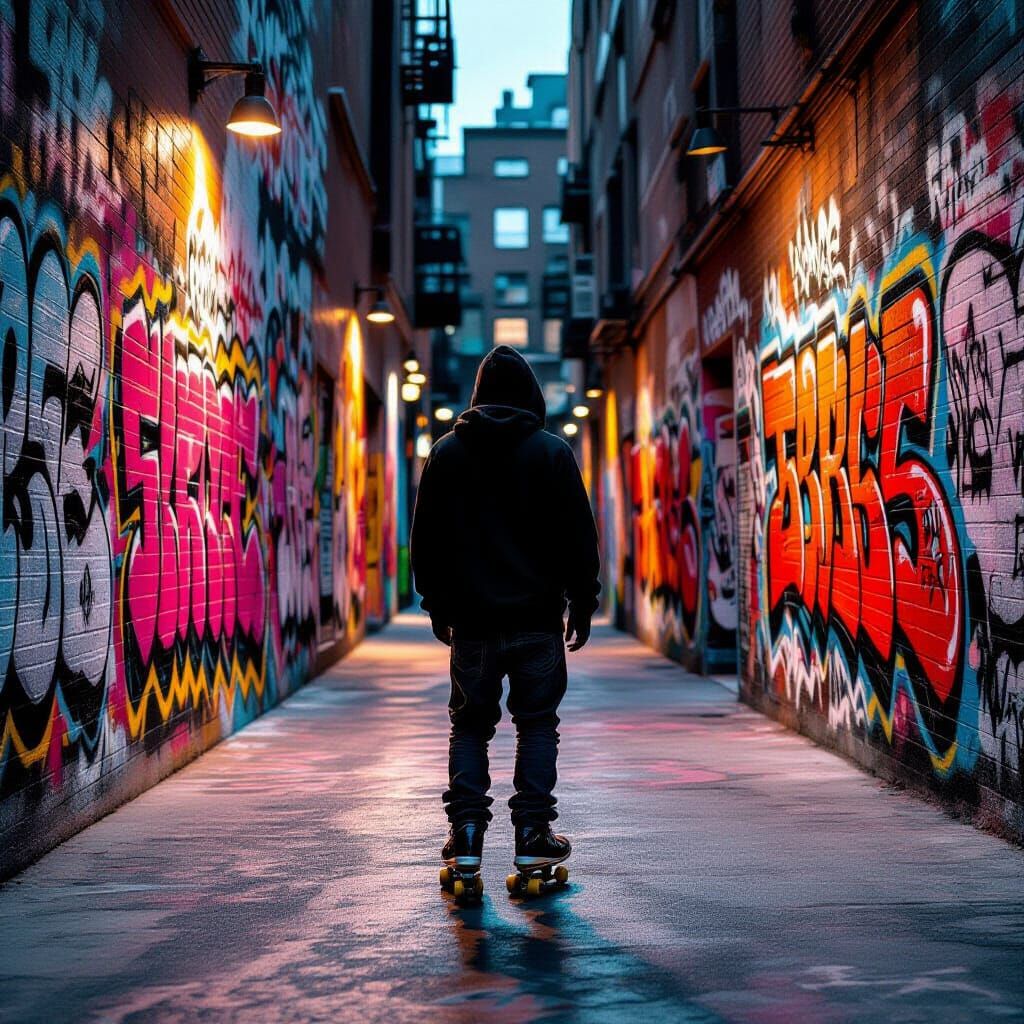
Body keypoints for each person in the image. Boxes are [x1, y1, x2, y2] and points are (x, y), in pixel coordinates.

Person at [411, 344, 600, 883]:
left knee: (470, 726)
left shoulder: (447, 453)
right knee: (537, 724)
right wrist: (582, 603)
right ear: (531, 396)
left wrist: (437, 606)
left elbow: (426, 540)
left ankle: (466, 837)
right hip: (537, 622)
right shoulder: (552, 453)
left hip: (472, 625)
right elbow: (578, 539)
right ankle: (533, 838)